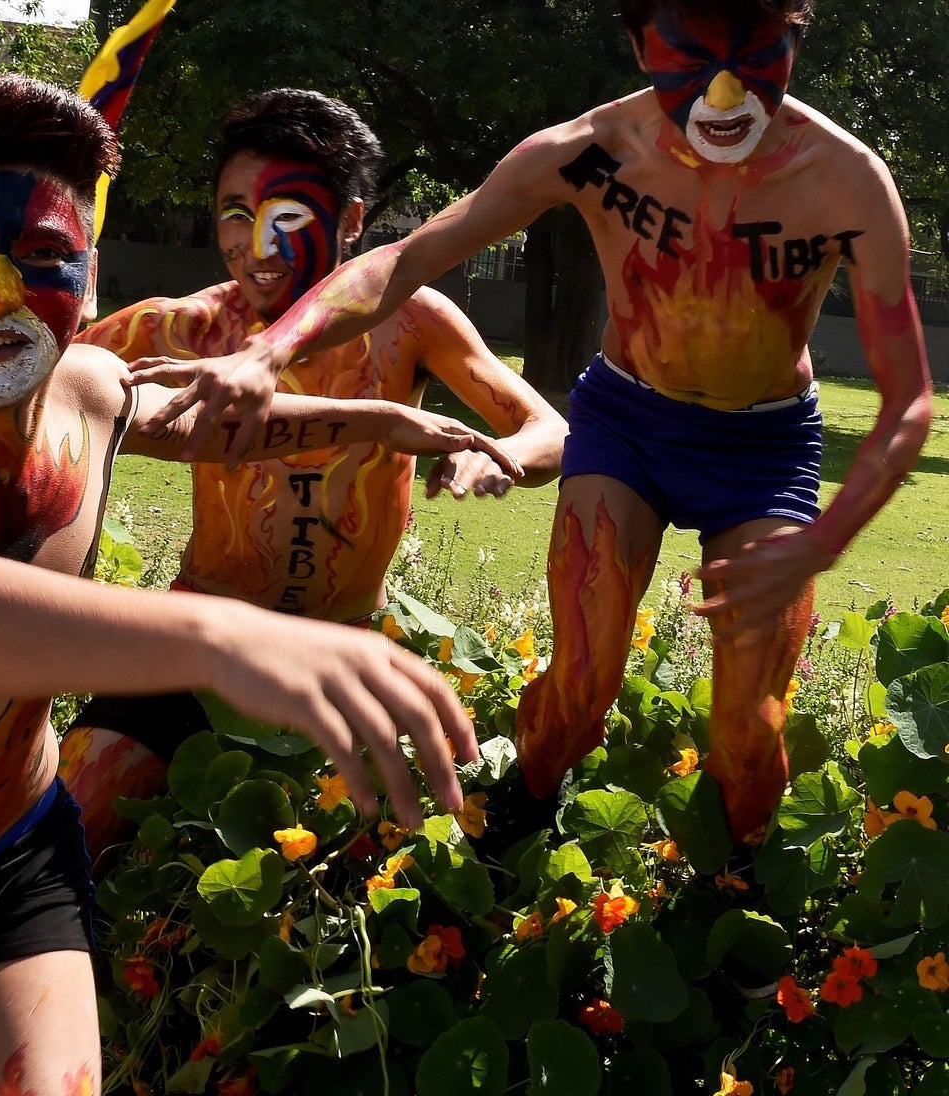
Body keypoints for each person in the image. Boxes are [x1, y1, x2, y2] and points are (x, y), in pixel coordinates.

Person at [0, 72, 499, 1095]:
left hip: (8, 865)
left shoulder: (85, 388)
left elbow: (201, 421)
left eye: (43, 257)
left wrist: (384, 422)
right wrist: (224, 637)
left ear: (87, 285)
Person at [124, 0, 935, 846]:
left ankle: (737, 894)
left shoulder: (844, 181)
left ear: (796, 38)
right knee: (578, 692)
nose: (724, 93)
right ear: (638, 45)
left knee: (749, 733)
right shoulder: (591, 151)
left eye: (759, 55)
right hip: (628, 427)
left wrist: (822, 540)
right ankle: (516, 823)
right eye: (690, 57)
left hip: (763, 451)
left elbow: (909, 399)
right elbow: (408, 256)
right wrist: (267, 352)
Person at [54, 88, 567, 855]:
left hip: (346, 652)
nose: (255, 244)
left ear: (352, 219)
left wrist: (495, 454)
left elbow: (551, 430)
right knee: (74, 823)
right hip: (204, 641)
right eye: (234, 213)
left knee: (378, 872)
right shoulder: (185, 327)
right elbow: (41, 386)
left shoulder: (412, 320)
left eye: (286, 215)